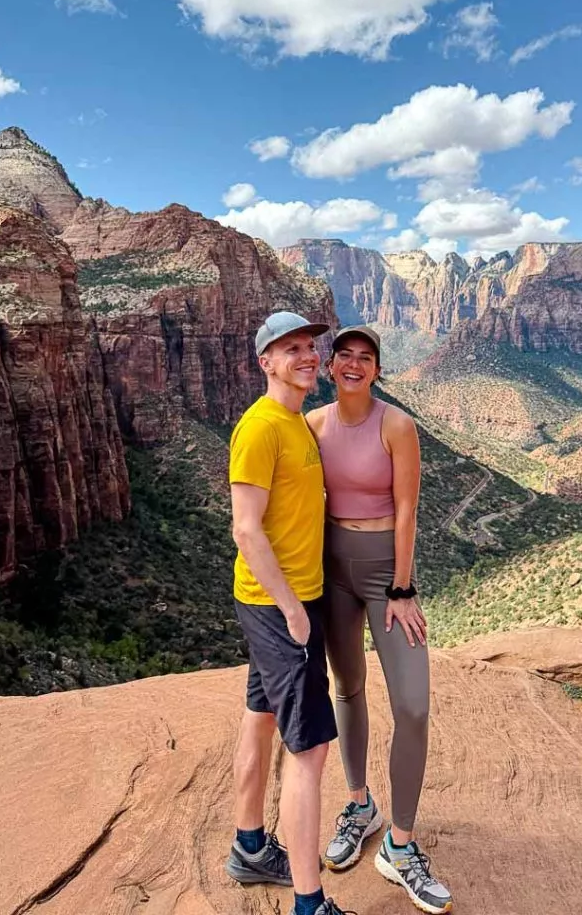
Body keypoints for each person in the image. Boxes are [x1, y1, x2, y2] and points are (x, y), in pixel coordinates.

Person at [306, 326, 453, 915]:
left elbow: (408, 507)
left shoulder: (397, 425)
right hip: (330, 570)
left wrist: (402, 587)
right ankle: (360, 803)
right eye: (345, 356)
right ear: (330, 365)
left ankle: (401, 842)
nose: (354, 365)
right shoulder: (313, 426)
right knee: (347, 685)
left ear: (377, 370)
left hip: (385, 576)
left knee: (413, 704)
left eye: (366, 359)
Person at [225, 311, 356, 915]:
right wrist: (295, 614)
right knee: (309, 754)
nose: (307, 355)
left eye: (311, 345)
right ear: (265, 363)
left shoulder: (296, 420)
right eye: (291, 349)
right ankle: (310, 903)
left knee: (259, 717)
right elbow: (245, 531)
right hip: (281, 607)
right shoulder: (260, 429)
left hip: (284, 601)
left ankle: (250, 847)